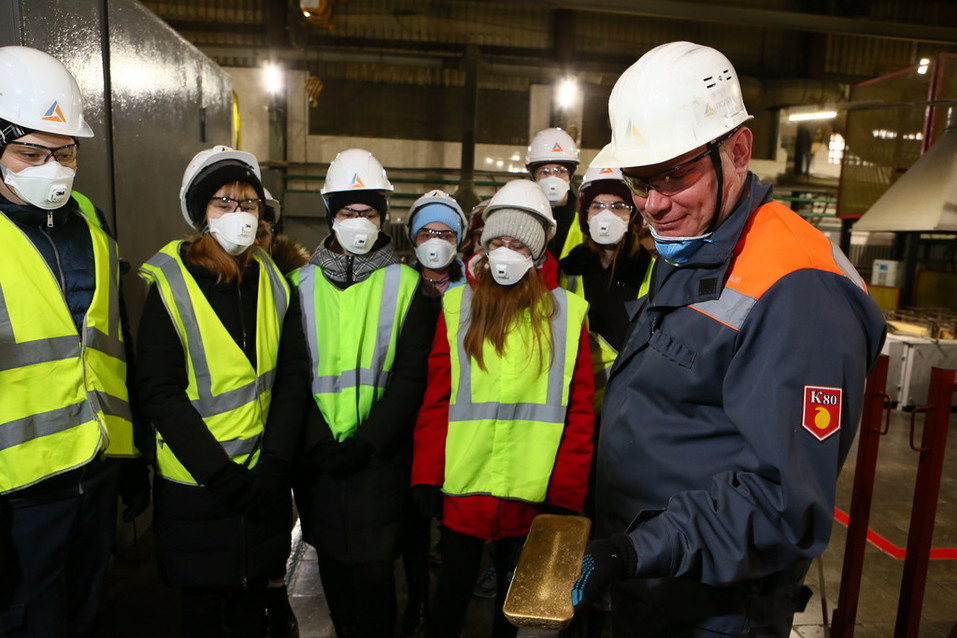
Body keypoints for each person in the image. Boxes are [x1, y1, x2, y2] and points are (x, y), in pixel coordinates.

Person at [569, 42, 887, 637]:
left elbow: (783, 502)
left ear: (737, 150)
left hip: (710, 605)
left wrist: (637, 551)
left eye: (675, 174)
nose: (653, 204)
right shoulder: (695, 238)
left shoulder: (797, 293)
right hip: (651, 574)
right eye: (641, 180)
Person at [0, 46, 149, 637]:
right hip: (19, 495)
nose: (52, 167)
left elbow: (115, 345)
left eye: (64, 151)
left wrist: (131, 458)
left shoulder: (91, 222)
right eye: (30, 152)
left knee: (83, 618)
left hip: (94, 472)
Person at [137, 146, 309, 637]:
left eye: (249, 204)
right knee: (203, 612)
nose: (239, 215)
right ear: (199, 213)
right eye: (224, 203)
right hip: (199, 489)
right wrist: (222, 477)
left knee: (254, 608)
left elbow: (293, 376)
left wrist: (275, 465)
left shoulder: (274, 281)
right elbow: (159, 392)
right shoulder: (170, 284)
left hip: (263, 485)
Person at [412, 179, 595, 638]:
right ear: (484, 246)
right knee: (448, 601)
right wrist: (426, 476)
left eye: (518, 243)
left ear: (536, 253)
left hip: (532, 497)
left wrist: (566, 495)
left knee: (514, 614)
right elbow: (435, 400)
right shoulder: (458, 306)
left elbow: (578, 416)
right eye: (497, 242)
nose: (505, 253)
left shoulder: (567, 314)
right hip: (464, 487)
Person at [290, 148, 436, 638]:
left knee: (375, 578)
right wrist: (317, 441)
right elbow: (292, 373)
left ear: (382, 217)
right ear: (332, 217)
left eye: (368, 213)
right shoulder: (299, 286)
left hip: (379, 460)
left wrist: (367, 442)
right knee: (334, 572)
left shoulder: (409, 286)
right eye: (349, 213)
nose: (359, 222)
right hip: (319, 461)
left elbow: (411, 377)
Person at [560, 164, 655, 415]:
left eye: (618, 206)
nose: (607, 215)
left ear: (633, 214)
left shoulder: (652, 271)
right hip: (575, 405)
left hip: (628, 407)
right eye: (598, 206)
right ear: (586, 215)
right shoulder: (567, 269)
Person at [526, 127, 581, 260]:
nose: (553, 177)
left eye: (560, 170)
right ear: (534, 177)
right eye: (544, 171)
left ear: (571, 176)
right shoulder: (524, 218)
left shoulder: (585, 217)